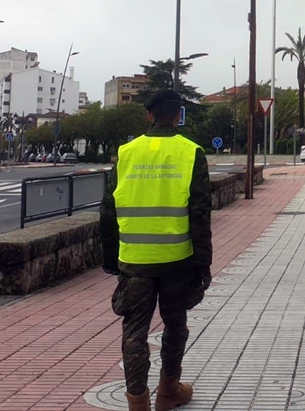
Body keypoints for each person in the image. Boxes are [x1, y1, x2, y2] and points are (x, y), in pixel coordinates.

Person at [100, 89, 213, 411]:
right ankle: (169, 391)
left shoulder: (127, 152)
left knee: (134, 331)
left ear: (149, 115)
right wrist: (203, 266)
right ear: (178, 115)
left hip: (135, 260)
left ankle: (138, 403)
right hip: (177, 259)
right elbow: (200, 215)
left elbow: (108, 209)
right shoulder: (191, 152)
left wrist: (110, 258)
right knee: (175, 325)